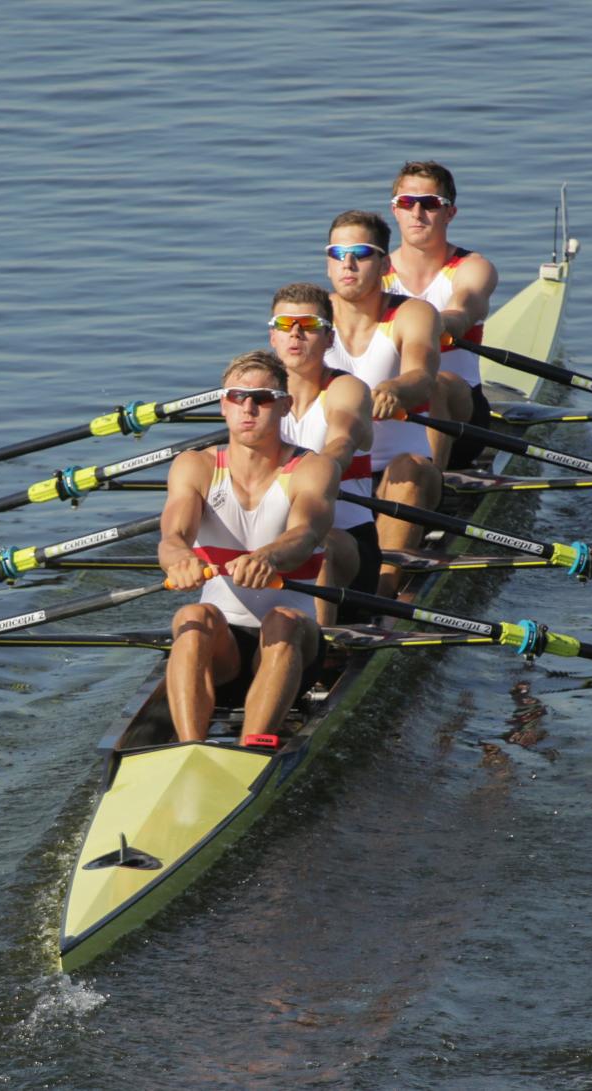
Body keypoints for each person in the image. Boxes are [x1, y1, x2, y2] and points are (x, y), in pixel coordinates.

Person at [160, 351, 340, 744]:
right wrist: (180, 561)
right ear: (223, 405)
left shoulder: (314, 468)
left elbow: (305, 534)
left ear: (285, 406)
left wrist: (268, 557)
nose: (248, 407)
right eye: (237, 396)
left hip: (294, 644)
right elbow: (172, 538)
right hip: (221, 651)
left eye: (262, 398)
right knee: (192, 615)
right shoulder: (195, 466)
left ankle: (252, 749)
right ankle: (190, 748)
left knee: (282, 619)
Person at [322, 209, 443, 597]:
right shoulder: (308, 322)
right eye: (337, 253)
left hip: (401, 476)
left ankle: (384, 593)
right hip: (336, 472)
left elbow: (421, 375)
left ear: (386, 264)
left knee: (410, 469)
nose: (348, 264)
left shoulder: (413, 313)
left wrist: (394, 389)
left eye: (361, 253)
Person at [266, 282, 379, 625]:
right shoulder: (254, 400)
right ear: (273, 337)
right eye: (285, 325)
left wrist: (310, 475)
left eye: (309, 325)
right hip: (274, 543)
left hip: (346, 547)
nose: (295, 333)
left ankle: (320, 644)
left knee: (317, 542)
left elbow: (341, 442)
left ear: (330, 338)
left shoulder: (347, 390)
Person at [382, 160, 500, 470]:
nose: (417, 213)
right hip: (391, 409)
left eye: (430, 204)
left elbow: (461, 312)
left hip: (461, 418)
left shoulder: (472, 268)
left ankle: (433, 480)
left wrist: (419, 327)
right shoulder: (373, 275)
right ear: (395, 210)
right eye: (407, 202)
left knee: (434, 383)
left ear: (450, 212)